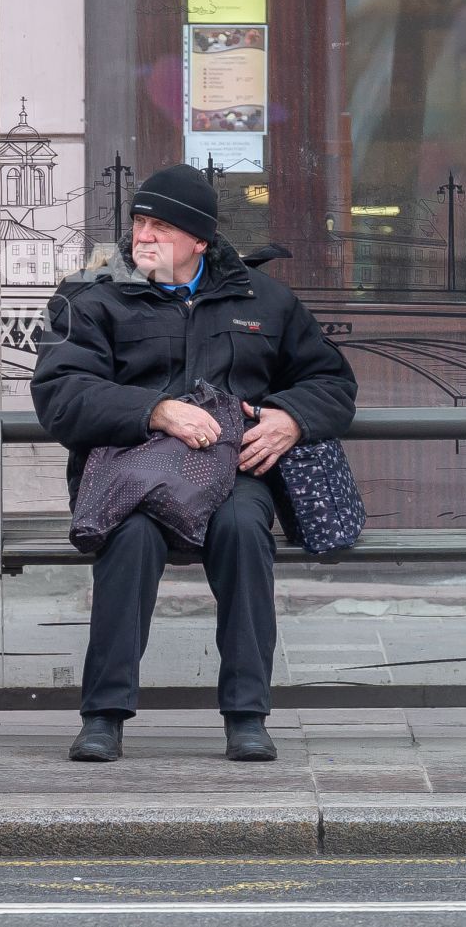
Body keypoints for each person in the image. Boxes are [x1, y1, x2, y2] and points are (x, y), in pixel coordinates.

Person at [32, 164, 357, 763]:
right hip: (129, 471)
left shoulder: (266, 300)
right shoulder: (89, 297)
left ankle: (247, 714)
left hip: (230, 472)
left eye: (161, 226)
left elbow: (332, 382)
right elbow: (60, 394)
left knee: (241, 529)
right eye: (138, 223)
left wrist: (289, 417)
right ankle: (104, 715)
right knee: (128, 540)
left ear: (200, 241)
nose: (143, 237)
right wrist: (155, 410)